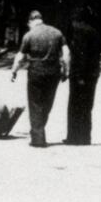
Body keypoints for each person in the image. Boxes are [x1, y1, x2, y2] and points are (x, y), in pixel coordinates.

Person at [11, 10, 70, 148]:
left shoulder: (29, 35)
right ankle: (38, 131)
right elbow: (66, 53)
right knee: (47, 104)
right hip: (53, 72)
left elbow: (20, 57)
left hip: (35, 72)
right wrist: (66, 71)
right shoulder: (57, 33)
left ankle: (38, 138)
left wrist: (14, 71)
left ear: (31, 21)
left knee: (35, 104)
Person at [65, 8, 101, 145]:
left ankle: (73, 137)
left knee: (74, 105)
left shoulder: (80, 31)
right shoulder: (94, 31)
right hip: (92, 74)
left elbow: (81, 55)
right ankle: (85, 137)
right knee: (87, 106)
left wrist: (79, 75)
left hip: (81, 74)